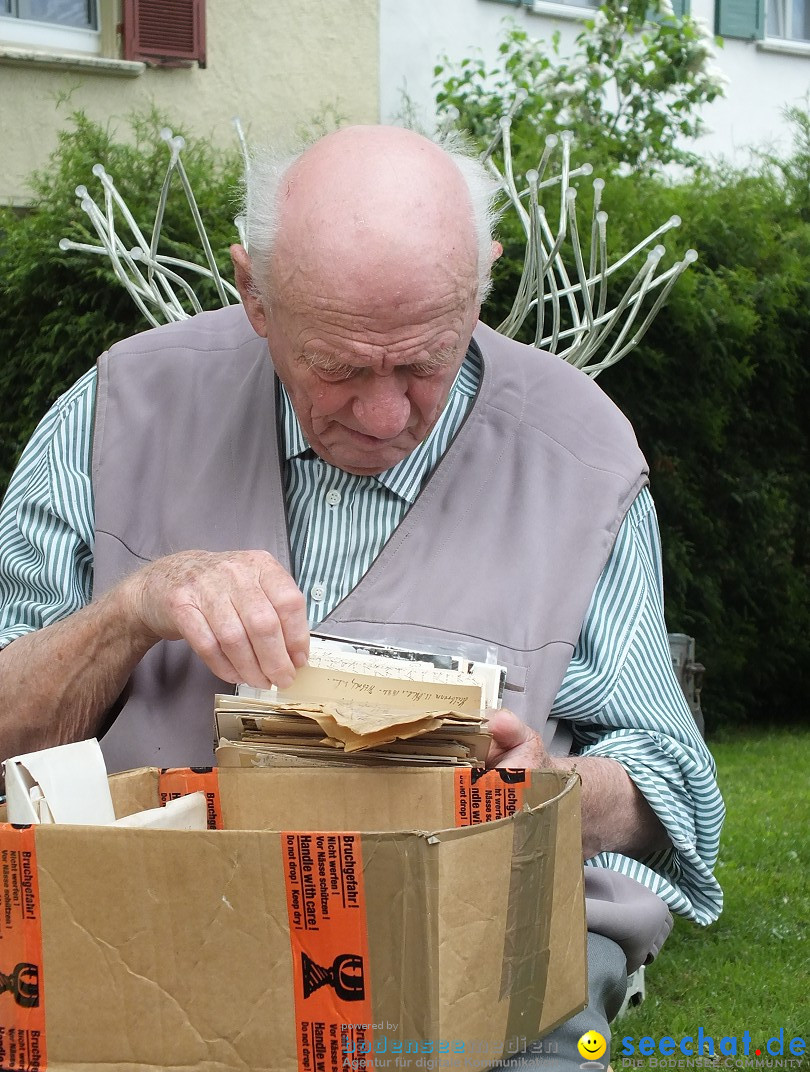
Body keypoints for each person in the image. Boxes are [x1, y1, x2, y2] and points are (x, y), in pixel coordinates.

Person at [0, 125, 723, 1069]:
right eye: (340, 367)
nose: (387, 417)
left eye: (424, 361)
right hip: (146, 930)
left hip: (466, 950)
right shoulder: (115, 411)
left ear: (482, 283)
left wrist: (543, 794)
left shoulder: (580, 454)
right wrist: (137, 604)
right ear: (254, 294)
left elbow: (671, 785)